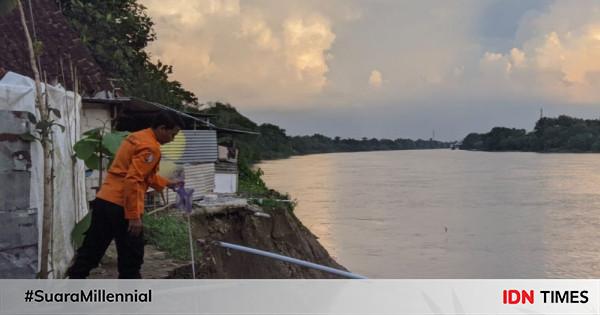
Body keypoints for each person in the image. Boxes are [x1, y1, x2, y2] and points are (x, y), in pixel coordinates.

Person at [67, 111, 185, 279]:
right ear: (161, 128)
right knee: (131, 257)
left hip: (104, 200)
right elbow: (133, 180)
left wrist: (168, 183)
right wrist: (134, 216)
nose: (172, 139)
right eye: (172, 134)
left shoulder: (136, 137)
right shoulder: (150, 147)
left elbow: (139, 174)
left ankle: (72, 288)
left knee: (91, 249)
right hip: (121, 206)